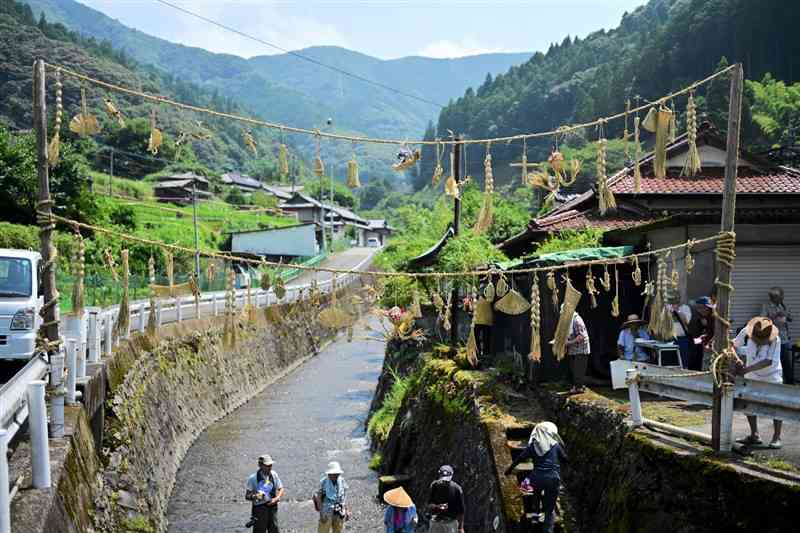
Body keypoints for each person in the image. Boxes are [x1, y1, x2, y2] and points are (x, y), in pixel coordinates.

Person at [504, 422, 567, 533]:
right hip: (553, 478)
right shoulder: (555, 445)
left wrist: (508, 470)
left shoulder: (533, 446)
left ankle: (534, 520)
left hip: (537, 478)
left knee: (535, 496)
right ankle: (547, 530)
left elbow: (519, 459)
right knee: (549, 509)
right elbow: (565, 459)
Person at [734, 317, 784, 448]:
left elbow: (768, 361)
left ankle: (777, 437)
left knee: (776, 405)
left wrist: (745, 369)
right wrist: (737, 359)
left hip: (772, 375)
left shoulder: (776, 339)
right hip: (751, 374)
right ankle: (754, 435)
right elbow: (733, 345)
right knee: (748, 403)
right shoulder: (746, 331)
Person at [244, 454, 284, 533]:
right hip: (259, 509)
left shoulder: (274, 474)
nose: (270, 467)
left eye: (271, 465)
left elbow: (281, 489)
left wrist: (276, 499)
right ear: (260, 465)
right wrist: (254, 496)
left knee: (274, 530)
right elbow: (247, 496)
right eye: (267, 465)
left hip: (273, 507)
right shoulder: (253, 478)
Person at [762, 287, 794, 384]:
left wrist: (786, 315)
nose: (781, 299)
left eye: (781, 297)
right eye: (780, 297)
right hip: (773, 339)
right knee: (773, 363)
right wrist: (775, 316)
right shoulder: (766, 306)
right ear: (773, 297)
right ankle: (772, 383)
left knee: (786, 363)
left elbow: (791, 318)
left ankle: (789, 383)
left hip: (784, 338)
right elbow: (763, 321)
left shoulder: (782, 306)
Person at [427, 465, 465, 533]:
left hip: (450, 524)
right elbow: (429, 505)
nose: (444, 482)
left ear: (451, 476)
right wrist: (437, 506)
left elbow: (461, 511)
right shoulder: (434, 485)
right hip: (436, 523)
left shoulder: (457, 489)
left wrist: (460, 528)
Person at [313, 461, 349, 533]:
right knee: (323, 531)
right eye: (333, 474)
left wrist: (347, 510)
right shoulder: (324, 482)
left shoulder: (342, 481)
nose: (335, 475)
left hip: (339, 511)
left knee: (338, 530)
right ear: (329, 474)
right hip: (326, 511)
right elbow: (318, 498)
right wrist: (321, 513)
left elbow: (344, 497)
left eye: (337, 474)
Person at [564, 308, 590, 393]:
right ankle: (578, 386)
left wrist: (569, 343)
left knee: (578, 369)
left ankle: (578, 387)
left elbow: (581, 336)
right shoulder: (570, 321)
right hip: (574, 349)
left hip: (581, 349)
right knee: (574, 368)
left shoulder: (577, 320)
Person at [685, 296, 715, 371]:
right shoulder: (700, 318)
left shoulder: (714, 318)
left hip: (711, 349)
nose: (699, 310)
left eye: (701, 308)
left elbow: (716, 334)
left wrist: (709, 343)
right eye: (698, 308)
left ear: (707, 308)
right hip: (700, 345)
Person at [668, 294, 693, 369]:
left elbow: (686, 321)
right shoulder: (667, 308)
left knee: (683, 363)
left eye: (676, 298)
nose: (674, 300)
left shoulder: (685, 308)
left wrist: (677, 311)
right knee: (671, 363)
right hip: (670, 339)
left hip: (682, 339)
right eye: (671, 299)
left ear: (679, 299)